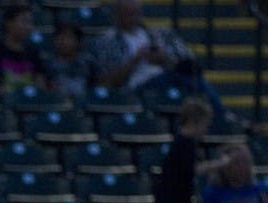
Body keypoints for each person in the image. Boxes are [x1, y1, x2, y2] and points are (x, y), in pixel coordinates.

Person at [88, 0, 229, 121]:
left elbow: (188, 62)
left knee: (195, 78)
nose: (134, 18)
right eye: (129, 14)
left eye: (137, 13)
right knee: (185, 80)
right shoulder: (106, 42)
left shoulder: (161, 34)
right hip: (137, 86)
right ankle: (223, 116)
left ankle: (222, 117)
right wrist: (136, 59)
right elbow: (108, 82)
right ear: (117, 15)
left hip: (170, 77)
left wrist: (164, 59)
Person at [149, 97, 229, 203]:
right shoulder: (184, 143)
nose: (205, 130)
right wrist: (221, 163)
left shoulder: (183, 143)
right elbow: (193, 169)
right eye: (205, 125)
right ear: (193, 122)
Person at [0, 4, 49, 95]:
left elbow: (40, 81)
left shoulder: (33, 53)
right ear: (9, 23)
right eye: (24, 21)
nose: (29, 27)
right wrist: (6, 95)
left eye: (30, 22)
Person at [49, 22, 98, 101]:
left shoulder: (88, 63)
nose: (63, 41)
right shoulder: (47, 64)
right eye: (60, 36)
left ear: (77, 41)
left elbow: (96, 87)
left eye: (68, 37)